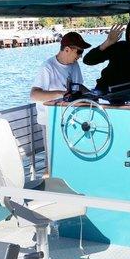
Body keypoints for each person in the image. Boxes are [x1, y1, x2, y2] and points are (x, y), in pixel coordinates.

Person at [30, 32, 91, 172]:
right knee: (52, 161)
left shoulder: (74, 65)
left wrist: (93, 94)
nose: (80, 56)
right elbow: (34, 94)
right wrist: (60, 94)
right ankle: (50, 181)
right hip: (50, 120)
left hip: (70, 119)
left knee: (72, 157)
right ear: (67, 49)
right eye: (79, 51)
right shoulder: (48, 67)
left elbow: (78, 86)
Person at [83, 17, 130, 92]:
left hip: (128, 92)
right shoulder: (119, 47)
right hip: (105, 89)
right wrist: (107, 42)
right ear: (127, 34)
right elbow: (87, 60)